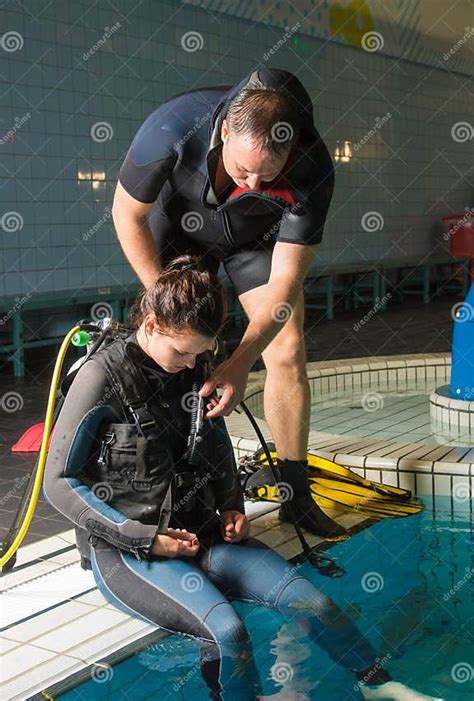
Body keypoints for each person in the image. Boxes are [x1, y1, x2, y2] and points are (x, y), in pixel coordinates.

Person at [43, 255, 442, 701]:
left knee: (315, 602)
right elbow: (57, 482)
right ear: (152, 324)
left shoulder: (193, 366)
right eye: (183, 352)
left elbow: (212, 439)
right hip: (130, 553)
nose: (192, 363)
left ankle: (378, 685)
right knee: (228, 633)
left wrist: (231, 503)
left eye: (201, 353)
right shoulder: (101, 377)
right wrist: (143, 538)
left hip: (203, 535)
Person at [111, 66, 342, 537]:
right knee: (170, 348)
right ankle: (161, 486)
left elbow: (284, 285)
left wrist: (240, 361)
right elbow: (126, 214)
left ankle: (294, 496)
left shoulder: (313, 168)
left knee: (288, 348)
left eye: (267, 176)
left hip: (255, 243)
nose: (252, 185)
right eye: (241, 170)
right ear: (223, 131)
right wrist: (163, 297)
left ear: (292, 149)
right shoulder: (172, 128)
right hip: (177, 232)